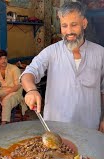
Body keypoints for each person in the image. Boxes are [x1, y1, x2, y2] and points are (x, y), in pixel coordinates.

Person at [20, 2, 104, 132]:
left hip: (89, 128)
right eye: (64, 26)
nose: (69, 31)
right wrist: (31, 90)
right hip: (56, 129)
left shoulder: (100, 53)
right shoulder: (51, 52)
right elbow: (29, 72)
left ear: (84, 23)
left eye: (74, 25)